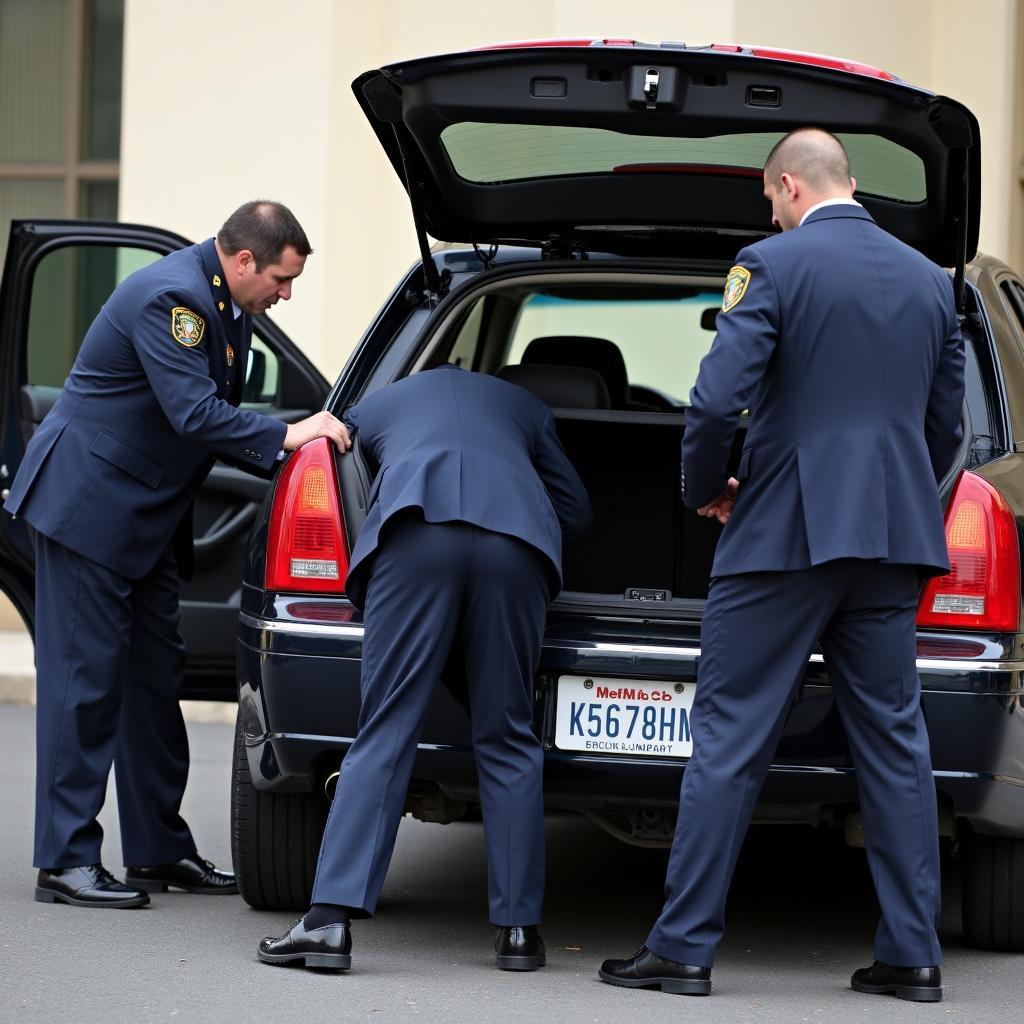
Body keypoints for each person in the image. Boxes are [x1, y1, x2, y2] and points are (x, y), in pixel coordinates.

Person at [599, 129, 964, 1002]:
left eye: (771, 198)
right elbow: (945, 427)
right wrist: (901, 495)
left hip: (784, 537)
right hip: (890, 542)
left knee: (729, 737)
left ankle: (683, 948)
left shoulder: (772, 264)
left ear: (793, 187)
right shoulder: (930, 282)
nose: (769, 213)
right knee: (896, 746)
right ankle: (912, 957)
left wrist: (705, 488)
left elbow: (718, 396)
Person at [6, 200, 351, 909]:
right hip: (89, 511)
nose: (287, 294)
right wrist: (292, 437)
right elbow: (193, 414)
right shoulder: (175, 299)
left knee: (155, 681)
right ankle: (65, 860)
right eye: (283, 279)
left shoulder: (226, 307)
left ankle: (159, 851)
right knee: (86, 686)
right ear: (245, 259)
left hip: (144, 522)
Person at [257, 363, 591, 972]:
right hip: (515, 548)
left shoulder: (375, 405)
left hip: (414, 537)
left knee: (386, 729)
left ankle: (328, 924)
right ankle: (519, 933)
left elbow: (345, 475)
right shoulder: (526, 407)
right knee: (509, 733)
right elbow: (574, 511)